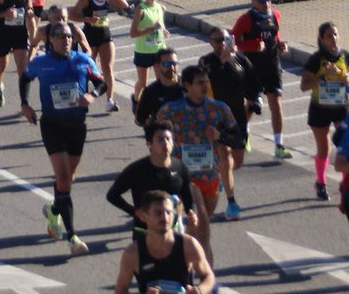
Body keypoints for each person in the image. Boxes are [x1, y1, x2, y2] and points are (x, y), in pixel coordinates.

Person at [19, 20, 107, 255]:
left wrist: (92, 95)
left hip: (77, 125)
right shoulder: (40, 63)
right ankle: (72, 236)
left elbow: (101, 83)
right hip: (52, 125)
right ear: (51, 40)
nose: (66, 40)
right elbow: (25, 78)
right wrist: (25, 104)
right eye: (60, 36)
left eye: (69, 36)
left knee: (67, 179)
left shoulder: (83, 60)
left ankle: (53, 211)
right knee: (64, 177)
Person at [106, 120, 209, 263]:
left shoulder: (180, 167)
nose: (165, 143)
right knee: (147, 277)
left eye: (168, 139)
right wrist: (134, 211)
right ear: (149, 144)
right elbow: (112, 195)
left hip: (173, 231)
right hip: (144, 232)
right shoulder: (137, 170)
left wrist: (191, 210)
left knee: (177, 273)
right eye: (160, 139)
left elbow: (186, 192)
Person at [156, 66, 244, 222]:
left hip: (209, 174)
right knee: (195, 217)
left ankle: (188, 239)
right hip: (181, 174)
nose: (205, 86)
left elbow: (238, 139)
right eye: (199, 83)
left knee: (204, 221)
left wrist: (219, 136)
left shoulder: (219, 108)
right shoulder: (171, 110)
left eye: (206, 82)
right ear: (187, 85)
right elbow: (155, 136)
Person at [113, 190, 216, 294]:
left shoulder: (189, 245)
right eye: (158, 213)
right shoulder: (133, 253)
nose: (165, 218)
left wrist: (200, 290)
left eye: (168, 212)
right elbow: (120, 293)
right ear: (144, 216)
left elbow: (208, 276)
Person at [229, 0, 292, 159]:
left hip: (272, 65)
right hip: (252, 67)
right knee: (252, 104)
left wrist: (280, 45)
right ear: (253, 1)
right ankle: (244, 132)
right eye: (262, 0)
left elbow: (275, 34)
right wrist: (251, 46)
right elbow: (232, 43)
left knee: (276, 103)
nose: (266, 3)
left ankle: (279, 145)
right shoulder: (245, 19)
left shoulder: (275, 15)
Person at [198, 29, 260, 193]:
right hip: (214, 117)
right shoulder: (206, 62)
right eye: (217, 40)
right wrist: (223, 61)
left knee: (237, 162)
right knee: (224, 156)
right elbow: (206, 84)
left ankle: (221, 173)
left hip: (236, 117)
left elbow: (253, 83)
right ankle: (229, 196)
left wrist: (255, 100)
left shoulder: (240, 59)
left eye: (225, 39)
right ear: (210, 42)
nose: (221, 43)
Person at [299, 22, 348, 202]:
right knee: (324, 149)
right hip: (320, 109)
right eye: (329, 36)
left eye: (335, 34)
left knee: (344, 149)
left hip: (341, 108)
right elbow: (304, 86)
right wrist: (322, 78)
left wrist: (346, 79)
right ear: (321, 39)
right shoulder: (316, 59)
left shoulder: (345, 56)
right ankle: (320, 182)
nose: (333, 39)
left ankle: (345, 184)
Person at [69, 0, 129, 112]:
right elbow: (72, 14)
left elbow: (125, 4)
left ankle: (109, 100)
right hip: (90, 35)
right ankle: (81, 96)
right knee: (88, 68)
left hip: (105, 34)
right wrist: (87, 19)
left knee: (107, 68)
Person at [130, 0, 170, 110]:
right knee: (143, 83)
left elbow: (160, 23)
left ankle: (160, 106)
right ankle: (136, 99)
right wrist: (152, 29)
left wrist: (163, 31)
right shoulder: (141, 9)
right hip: (143, 51)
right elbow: (133, 33)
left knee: (161, 80)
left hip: (159, 50)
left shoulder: (160, 7)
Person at [134, 49, 185, 128]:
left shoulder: (189, 85)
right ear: (157, 66)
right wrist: (157, 126)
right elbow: (141, 118)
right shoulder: (150, 91)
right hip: (167, 137)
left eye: (174, 63)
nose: (171, 67)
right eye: (167, 64)